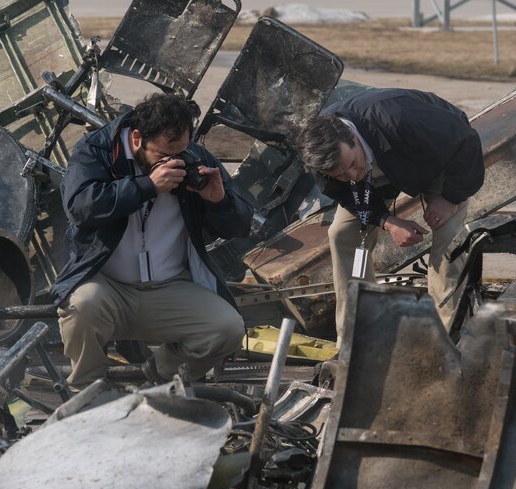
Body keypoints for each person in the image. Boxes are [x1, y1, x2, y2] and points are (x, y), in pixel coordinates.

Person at [49, 93, 254, 387]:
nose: (174, 163)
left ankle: (158, 378)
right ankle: (87, 390)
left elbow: (242, 224)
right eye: (163, 155)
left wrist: (219, 201)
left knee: (227, 328)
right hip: (108, 287)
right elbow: (81, 207)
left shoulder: (194, 158)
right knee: (81, 306)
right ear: (136, 139)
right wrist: (146, 186)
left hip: (170, 287)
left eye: (180, 153)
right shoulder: (96, 150)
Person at [297, 88, 484, 340]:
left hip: (433, 158)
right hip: (381, 173)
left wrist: (448, 199)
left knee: (449, 239)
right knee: (344, 234)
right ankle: (356, 334)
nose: (350, 176)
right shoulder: (323, 159)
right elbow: (345, 192)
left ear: (352, 136)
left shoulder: (399, 116)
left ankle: (448, 334)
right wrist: (387, 221)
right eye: (340, 174)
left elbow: (466, 142)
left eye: (351, 164)